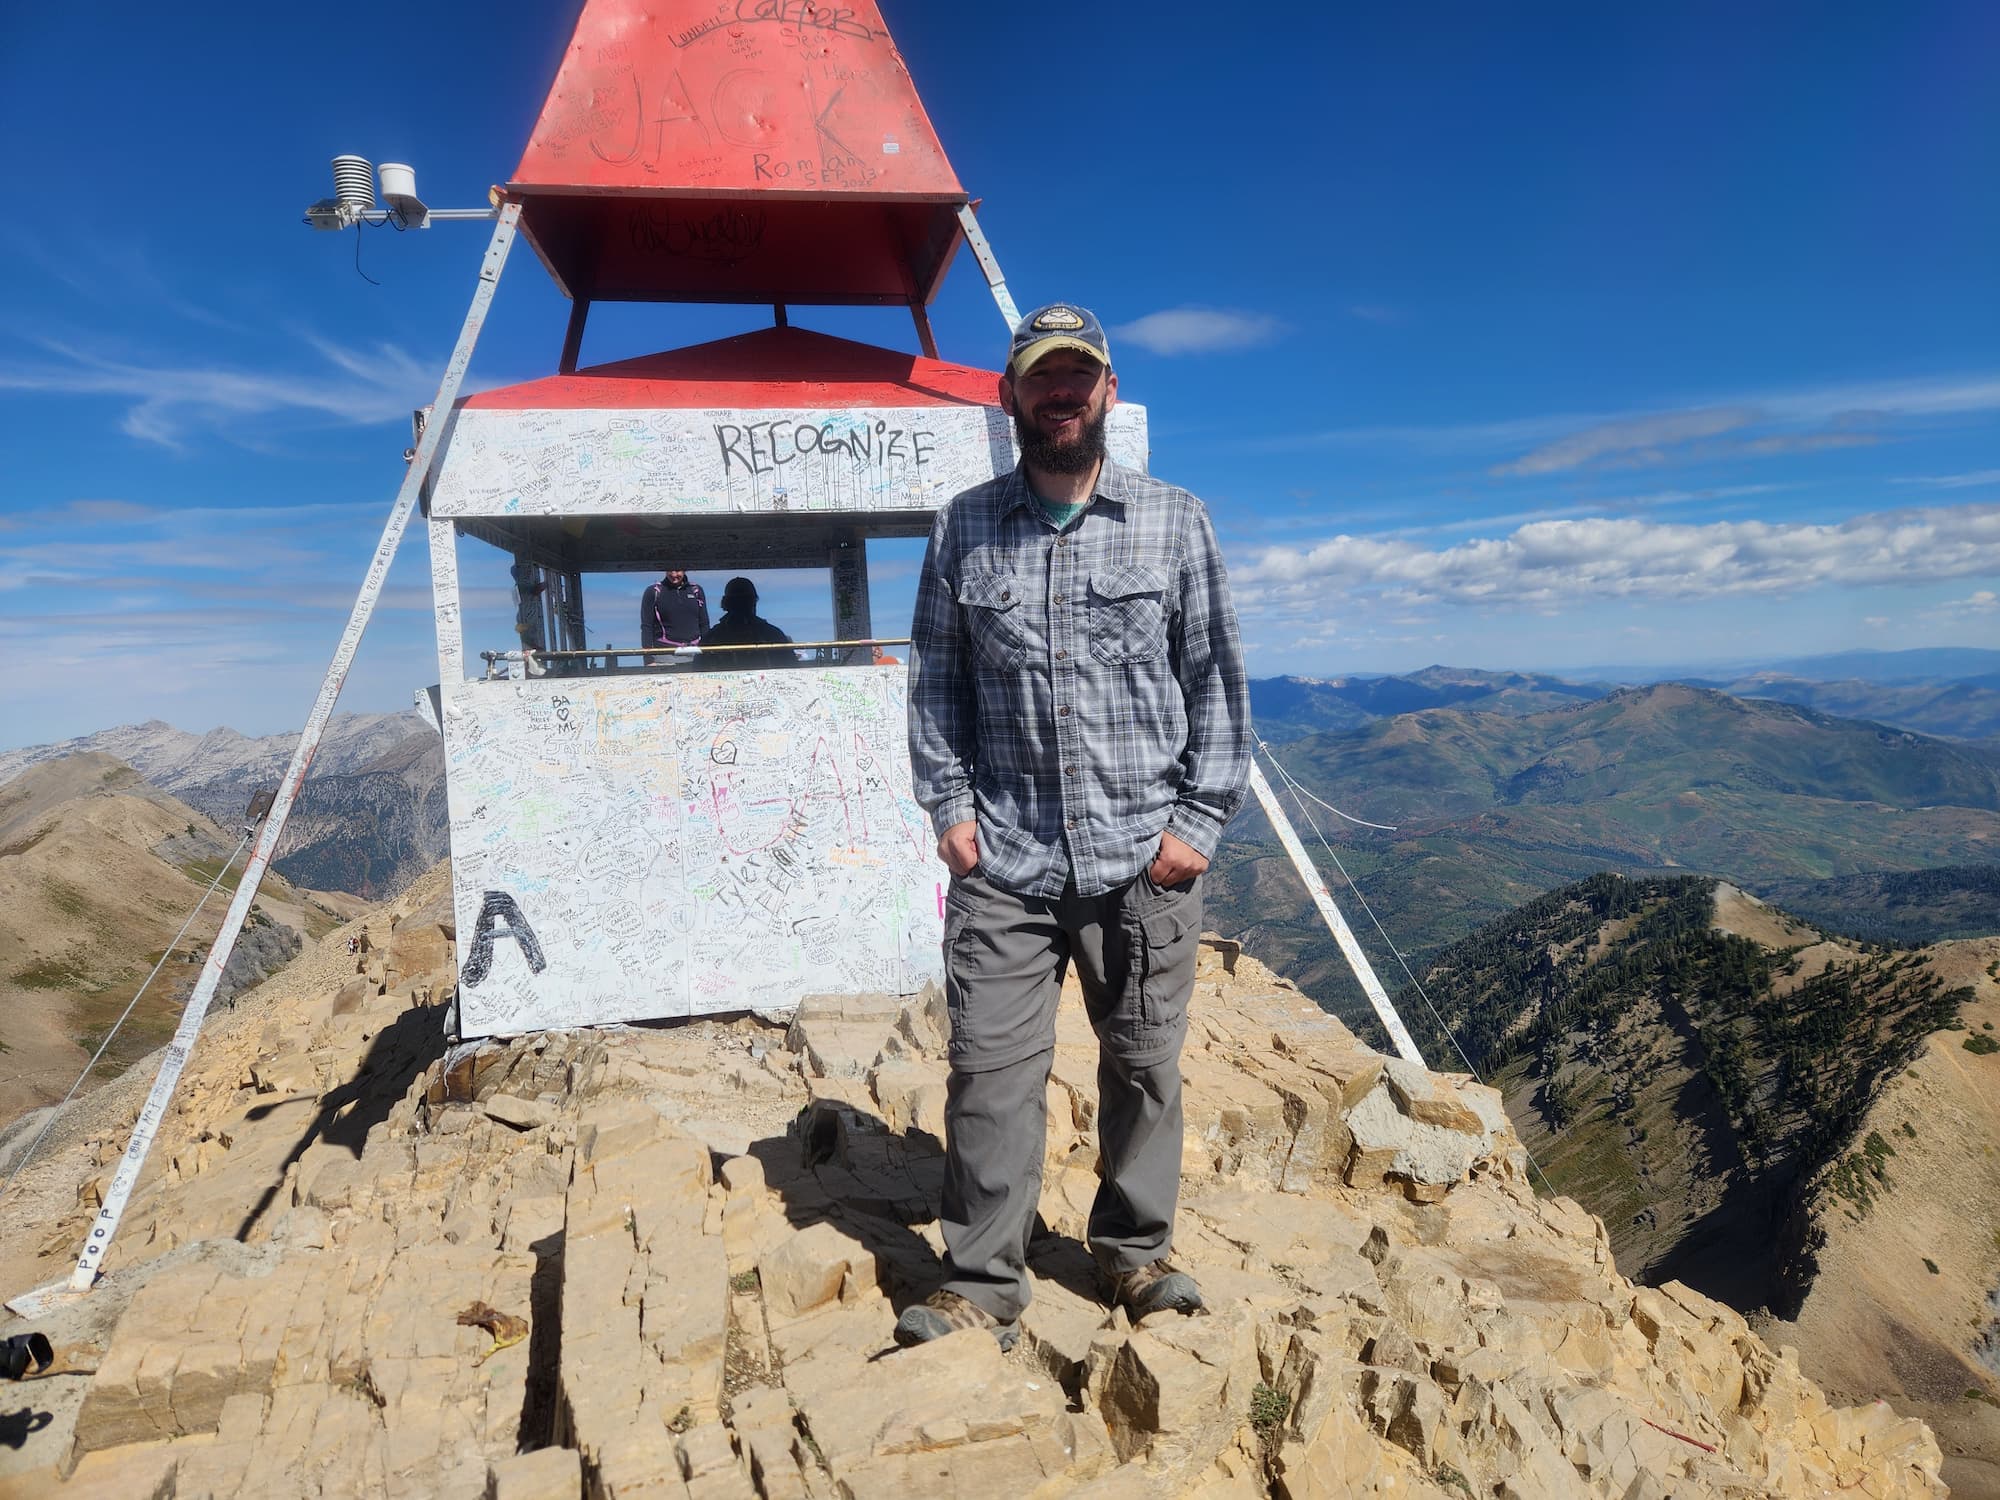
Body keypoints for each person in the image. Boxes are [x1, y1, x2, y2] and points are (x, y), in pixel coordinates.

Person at [899, 302, 1251, 1351]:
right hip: (1004, 860)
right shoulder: (963, 525)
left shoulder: (1174, 519)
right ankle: (979, 1283)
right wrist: (948, 809)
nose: (1059, 392)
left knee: (1143, 1067)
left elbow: (1217, 681)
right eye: (1038, 377)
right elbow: (935, 685)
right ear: (1010, 395)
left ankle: (1134, 1257)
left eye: (1077, 375)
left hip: (1142, 857)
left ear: (1106, 390)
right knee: (987, 1073)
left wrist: (1198, 819)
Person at [696, 577, 797, 670]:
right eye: (739, 602)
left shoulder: (711, 638)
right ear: (753, 603)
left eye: (744, 601)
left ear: (726, 603)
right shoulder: (774, 635)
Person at [640, 567, 709, 654]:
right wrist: (648, 660)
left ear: (684, 570)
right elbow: (647, 626)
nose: (674, 574)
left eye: (677, 571)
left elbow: (704, 624)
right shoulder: (653, 591)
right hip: (665, 655)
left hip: (695, 653)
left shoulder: (696, 590)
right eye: (670, 570)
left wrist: (707, 652)